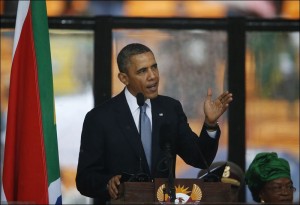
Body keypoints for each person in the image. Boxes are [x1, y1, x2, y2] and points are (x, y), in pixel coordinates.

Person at [76, 43, 233, 204]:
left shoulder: (171, 109)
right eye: (142, 71)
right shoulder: (100, 118)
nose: (153, 76)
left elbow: (199, 159)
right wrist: (108, 182)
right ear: (124, 78)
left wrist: (210, 124)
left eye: (154, 67)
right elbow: (85, 179)